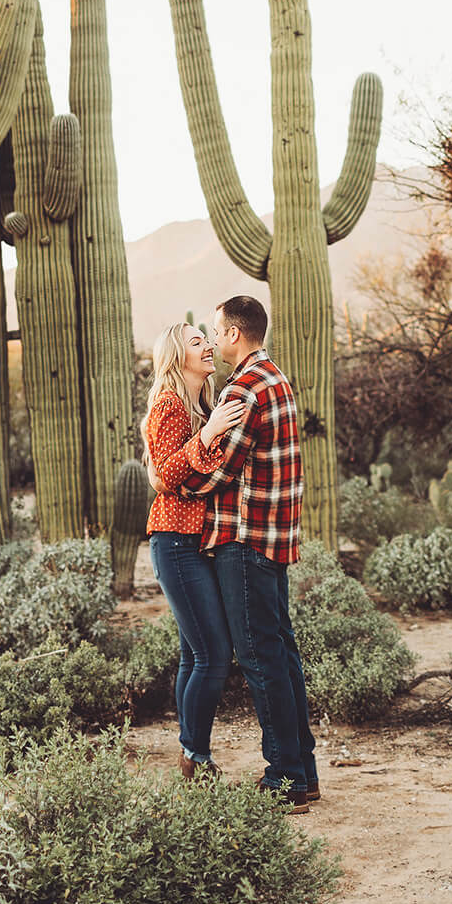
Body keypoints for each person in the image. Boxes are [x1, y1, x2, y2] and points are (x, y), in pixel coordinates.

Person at [172, 295, 318, 806]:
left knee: (259, 658)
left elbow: (219, 471)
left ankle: (287, 778)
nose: (212, 340)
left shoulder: (246, 389)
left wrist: (176, 486)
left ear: (234, 334)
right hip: (273, 539)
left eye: (215, 331)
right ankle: (304, 769)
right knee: (281, 653)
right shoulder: (275, 376)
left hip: (244, 541)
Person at [140, 320, 247, 780]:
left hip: (191, 544)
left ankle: (191, 753)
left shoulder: (198, 406)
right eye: (197, 341)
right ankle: (195, 756)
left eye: (208, 339)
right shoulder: (169, 405)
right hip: (176, 543)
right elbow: (164, 474)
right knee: (213, 655)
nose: (208, 346)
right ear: (176, 355)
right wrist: (208, 435)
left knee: (195, 654)